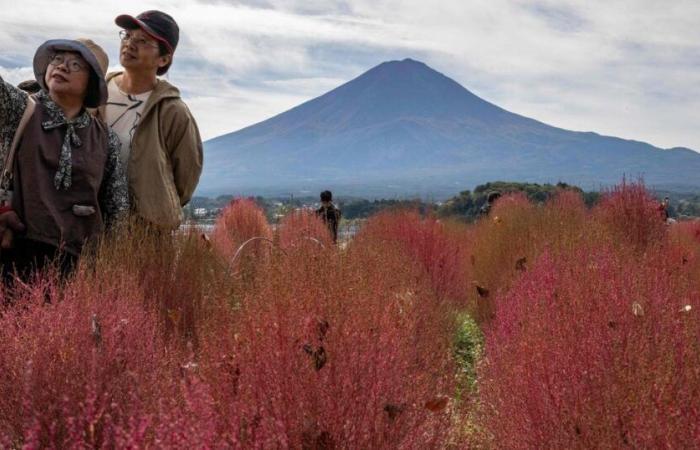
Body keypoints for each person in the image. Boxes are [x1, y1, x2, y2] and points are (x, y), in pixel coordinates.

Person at [0, 38, 128, 279]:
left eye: (76, 64)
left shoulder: (105, 139)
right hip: (15, 252)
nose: (62, 66)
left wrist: (110, 270)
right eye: (57, 59)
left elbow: (117, 210)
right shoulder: (21, 108)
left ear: (91, 83)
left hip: (79, 264)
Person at [102, 10, 203, 231]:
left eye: (143, 41)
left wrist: (153, 207)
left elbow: (185, 180)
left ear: (164, 59)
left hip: (144, 233)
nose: (130, 44)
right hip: (90, 225)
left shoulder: (173, 112)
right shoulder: (96, 93)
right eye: (127, 36)